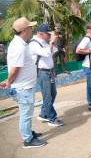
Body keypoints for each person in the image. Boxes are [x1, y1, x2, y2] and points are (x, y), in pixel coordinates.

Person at [0, 17, 47, 148]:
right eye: (30, 27)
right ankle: (28, 140)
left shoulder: (21, 43)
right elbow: (15, 68)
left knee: (28, 111)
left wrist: (9, 80)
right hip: (23, 88)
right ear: (26, 30)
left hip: (25, 86)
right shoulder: (19, 46)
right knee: (26, 114)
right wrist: (9, 81)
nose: (32, 29)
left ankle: (29, 133)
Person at [29, 24, 64, 127]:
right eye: (47, 34)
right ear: (40, 33)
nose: (49, 35)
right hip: (42, 72)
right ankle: (52, 118)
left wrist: (53, 42)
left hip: (49, 71)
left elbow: (54, 51)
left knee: (53, 93)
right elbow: (46, 53)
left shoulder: (44, 42)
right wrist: (52, 42)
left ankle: (43, 114)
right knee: (47, 96)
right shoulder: (33, 44)